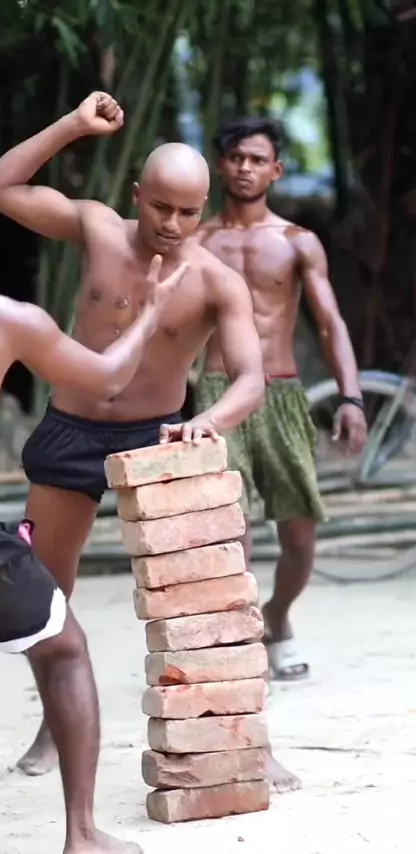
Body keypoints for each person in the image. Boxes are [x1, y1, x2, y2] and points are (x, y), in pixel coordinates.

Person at [0, 92, 300, 791]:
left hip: (160, 436)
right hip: (70, 431)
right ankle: (54, 726)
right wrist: (72, 124)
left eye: (187, 212)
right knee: (45, 593)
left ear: (203, 208)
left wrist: (210, 421)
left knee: (210, 595)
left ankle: (253, 736)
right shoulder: (98, 228)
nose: (171, 225)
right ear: (136, 195)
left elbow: (251, 379)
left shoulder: (217, 281)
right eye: (159, 207)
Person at [0, 152, 192, 854]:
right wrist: (151, 314)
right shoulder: (5, 318)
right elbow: (105, 378)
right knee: (65, 651)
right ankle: (81, 835)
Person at [195, 116, 368, 682]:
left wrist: (351, 398)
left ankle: (278, 615)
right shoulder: (197, 241)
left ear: (277, 170)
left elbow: (330, 323)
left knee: (299, 535)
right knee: (232, 526)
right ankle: (245, 640)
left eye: (257, 159)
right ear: (221, 165)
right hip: (217, 392)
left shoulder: (297, 242)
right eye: (236, 158)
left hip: (282, 392)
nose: (245, 168)